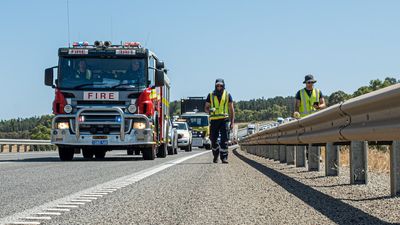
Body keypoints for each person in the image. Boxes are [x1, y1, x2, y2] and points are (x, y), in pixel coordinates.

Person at [205, 78, 235, 164]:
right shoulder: (210, 95)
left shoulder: (228, 95)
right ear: (215, 85)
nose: (219, 87)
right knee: (213, 139)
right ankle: (215, 155)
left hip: (224, 120)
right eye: (217, 85)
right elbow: (206, 108)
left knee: (224, 139)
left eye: (221, 85)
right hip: (214, 120)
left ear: (223, 85)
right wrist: (210, 110)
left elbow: (232, 110)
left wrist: (232, 122)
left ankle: (224, 157)